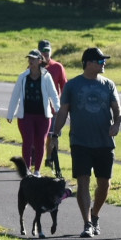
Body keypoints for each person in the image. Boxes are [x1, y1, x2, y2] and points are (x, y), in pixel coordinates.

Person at [50, 47, 121, 238]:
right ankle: (87, 223)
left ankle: (95, 214)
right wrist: (54, 135)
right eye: (100, 61)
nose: (103, 64)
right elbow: (63, 112)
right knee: (83, 181)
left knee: (104, 184)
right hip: (80, 142)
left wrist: (116, 124)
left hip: (104, 142)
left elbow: (118, 110)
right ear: (88, 63)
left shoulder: (108, 84)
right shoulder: (73, 85)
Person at [6, 49, 61, 176]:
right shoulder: (23, 76)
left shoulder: (46, 76)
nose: (31, 61)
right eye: (29, 59)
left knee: (40, 141)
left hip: (43, 116)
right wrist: (10, 114)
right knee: (28, 141)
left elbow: (54, 94)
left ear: (39, 61)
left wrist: (57, 108)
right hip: (26, 116)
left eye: (33, 59)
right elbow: (15, 95)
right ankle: (27, 169)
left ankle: (37, 170)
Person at [38, 40, 68, 179]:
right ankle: (37, 156)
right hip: (38, 108)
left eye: (47, 50)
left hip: (54, 109)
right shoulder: (34, 66)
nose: (46, 53)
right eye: (43, 51)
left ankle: (50, 158)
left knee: (53, 134)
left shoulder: (57, 67)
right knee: (40, 135)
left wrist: (63, 104)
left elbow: (64, 85)